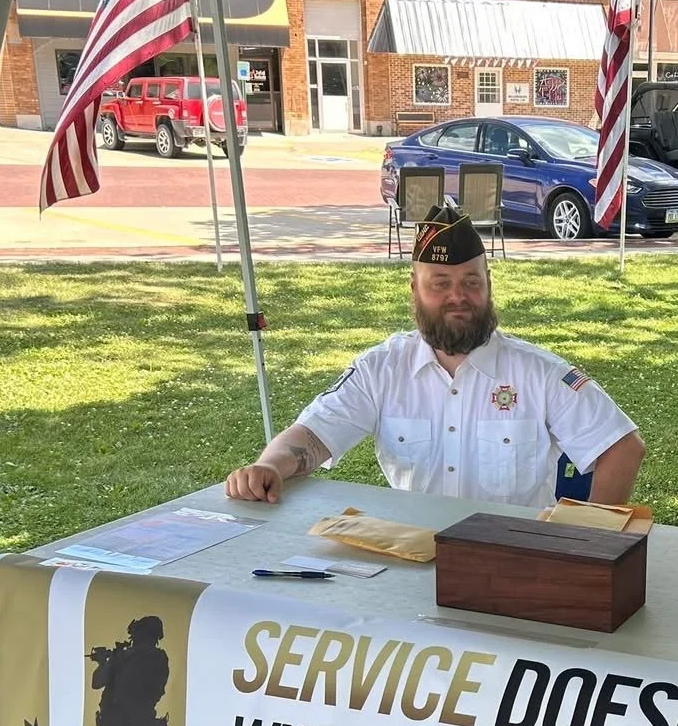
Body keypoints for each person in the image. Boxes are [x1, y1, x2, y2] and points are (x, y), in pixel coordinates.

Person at [225, 204, 645, 510]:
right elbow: (313, 436)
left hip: (510, 559)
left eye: (471, 282)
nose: (457, 297)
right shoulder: (382, 369)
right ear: (414, 287)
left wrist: (587, 540)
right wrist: (270, 466)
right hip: (409, 556)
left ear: (488, 283)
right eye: (439, 283)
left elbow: (621, 448)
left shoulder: (537, 373)